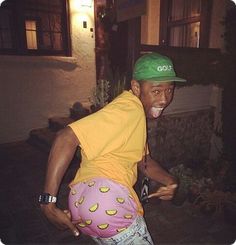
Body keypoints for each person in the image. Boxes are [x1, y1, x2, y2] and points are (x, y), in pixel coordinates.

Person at [39, 52, 186, 244]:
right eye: (156, 91)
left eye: (170, 90)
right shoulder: (129, 109)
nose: (165, 99)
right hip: (108, 199)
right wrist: (47, 204)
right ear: (136, 87)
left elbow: (143, 160)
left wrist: (169, 180)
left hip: (84, 204)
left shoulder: (130, 114)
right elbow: (66, 136)